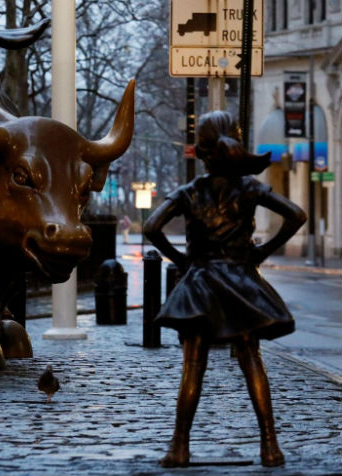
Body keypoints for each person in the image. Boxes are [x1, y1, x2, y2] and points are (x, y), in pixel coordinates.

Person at [143, 111, 306, 468]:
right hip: (240, 282)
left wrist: (182, 261)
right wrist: (261, 251)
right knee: (251, 361)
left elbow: (151, 226)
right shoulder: (248, 188)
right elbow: (296, 215)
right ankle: (270, 447)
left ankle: (179, 448)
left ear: (201, 151)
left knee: (193, 367)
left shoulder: (190, 191)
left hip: (200, 283)